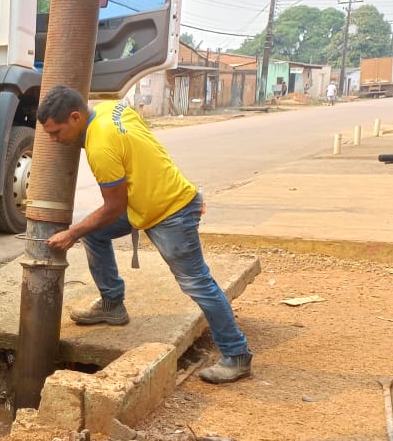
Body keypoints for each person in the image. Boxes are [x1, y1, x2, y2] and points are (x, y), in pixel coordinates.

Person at [37, 86, 253, 384]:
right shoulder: (110, 108)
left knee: (197, 283)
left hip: (170, 210)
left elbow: (113, 208)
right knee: (95, 233)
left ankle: (237, 355)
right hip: (149, 200)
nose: (53, 139)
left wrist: (71, 233)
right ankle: (112, 304)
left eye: (56, 132)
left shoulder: (100, 146)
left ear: (75, 117)